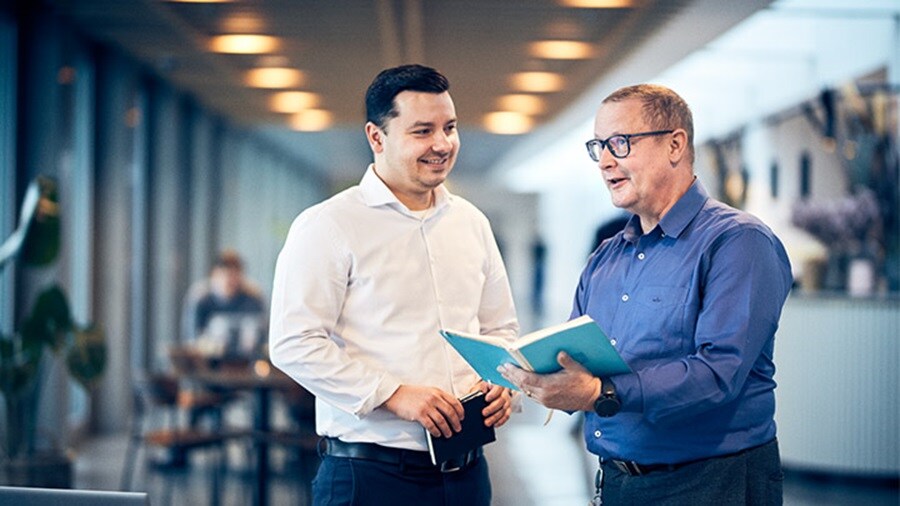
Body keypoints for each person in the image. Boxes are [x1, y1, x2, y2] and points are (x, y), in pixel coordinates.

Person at [499, 84, 793, 505]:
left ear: (675, 144)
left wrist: (601, 393)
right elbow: (576, 356)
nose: (604, 161)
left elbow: (718, 374)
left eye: (620, 143)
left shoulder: (737, 243)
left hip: (711, 483)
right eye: (598, 146)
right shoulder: (606, 258)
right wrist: (540, 378)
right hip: (618, 482)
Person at [269, 64, 518, 506]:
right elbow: (294, 343)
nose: (442, 144)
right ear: (376, 137)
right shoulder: (328, 225)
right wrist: (394, 395)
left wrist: (503, 380)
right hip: (369, 476)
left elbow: (500, 328)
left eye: (450, 128)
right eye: (423, 131)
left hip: (467, 474)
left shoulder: (471, 222)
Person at [182, 249, 267, 357]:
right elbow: (191, 342)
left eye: (234, 274)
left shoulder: (254, 299)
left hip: (247, 366)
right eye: (225, 274)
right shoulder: (200, 299)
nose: (229, 280)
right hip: (209, 366)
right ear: (214, 274)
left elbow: (263, 338)